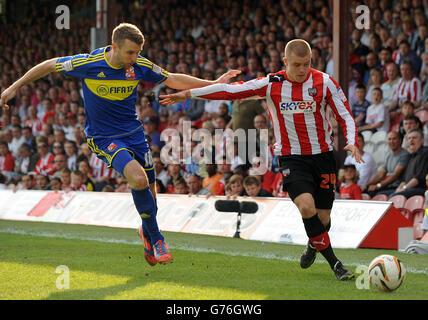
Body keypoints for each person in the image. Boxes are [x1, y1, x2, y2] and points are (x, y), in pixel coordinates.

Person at [0, 22, 240, 267]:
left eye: (137, 53)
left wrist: (213, 82)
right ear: (114, 47)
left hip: (134, 134)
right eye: (130, 53)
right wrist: (14, 87)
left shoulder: (138, 65)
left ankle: (146, 233)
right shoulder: (89, 64)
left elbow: (172, 78)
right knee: (138, 179)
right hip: (104, 138)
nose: (134, 58)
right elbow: (50, 64)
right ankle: (157, 239)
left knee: (151, 199)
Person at [160, 39, 363, 281]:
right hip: (292, 157)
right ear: (285, 62)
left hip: (322, 156)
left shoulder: (324, 82)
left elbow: (346, 115)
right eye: (297, 65)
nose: (302, 70)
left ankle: (313, 245)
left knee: (323, 219)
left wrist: (352, 141)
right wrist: (188, 93)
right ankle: (336, 265)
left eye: (306, 64)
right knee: (306, 207)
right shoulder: (271, 83)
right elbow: (230, 91)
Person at [364, 131, 410, 198]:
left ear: (400, 141)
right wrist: (366, 185)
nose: (392, 141)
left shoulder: (404, 154)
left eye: (394, 139)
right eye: (389, 139)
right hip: (389, 186)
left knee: (376, 195)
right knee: (366, 191)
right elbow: (381, 174)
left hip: (398, 187)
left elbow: (395, 175)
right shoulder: (389, 154)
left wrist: (378, 185)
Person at [389, 129, 428, 198]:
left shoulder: (425, 154)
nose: (411, 140)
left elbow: (418, 179)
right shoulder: (410, 155)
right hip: (408, 188)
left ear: (422, 140)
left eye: (414, 138)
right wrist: (399, 188)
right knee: (381, 194)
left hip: (419, 189)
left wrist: (404, 188)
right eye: (409, 138)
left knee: (393, 196)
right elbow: (404, 179)